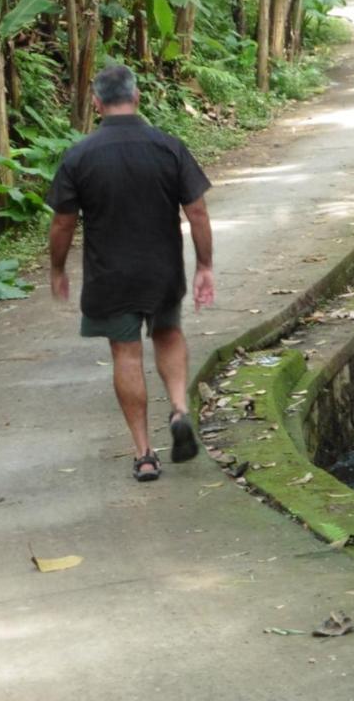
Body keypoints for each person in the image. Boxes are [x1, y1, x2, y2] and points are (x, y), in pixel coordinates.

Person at [47, 64, 215, 481]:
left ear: (97, 103)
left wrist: (57, 268)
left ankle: (144, 454)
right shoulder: (168, 146)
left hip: (110, 274)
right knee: (168, 334)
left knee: (126, 352)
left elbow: (63, 222)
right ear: (137, 97)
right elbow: (196, 211)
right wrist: (205, 266)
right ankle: (178, 408)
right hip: (162, 270)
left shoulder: (79, 155)